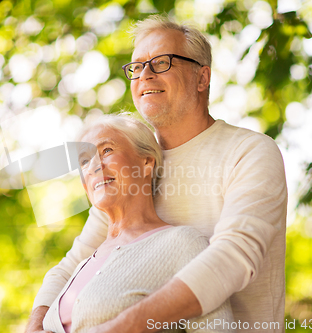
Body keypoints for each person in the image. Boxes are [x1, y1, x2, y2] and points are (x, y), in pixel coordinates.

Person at [27, 15, 287, 333]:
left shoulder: (248, 151)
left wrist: (125, 325)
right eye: (136, 67)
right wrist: (36, 325)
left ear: (201, 78)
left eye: (161, 62)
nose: (145, 75)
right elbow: (74, 264)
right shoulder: (129, 170)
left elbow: (234, 257)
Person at [41, 114, 234, 333]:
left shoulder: (182, 244)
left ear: (146, 162)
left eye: (107, 150)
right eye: (85, 161)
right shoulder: (83, 264)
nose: (94, 166)